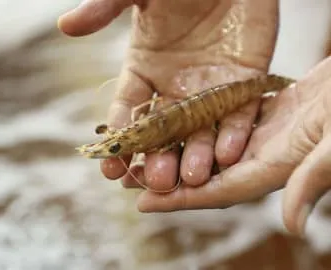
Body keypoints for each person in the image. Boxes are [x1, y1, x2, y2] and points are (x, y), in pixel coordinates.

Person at [58, 0, 331, 236]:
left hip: (224, 97)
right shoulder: (142, 127)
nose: (116, 145)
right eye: (117, 145)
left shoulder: (150, 134)